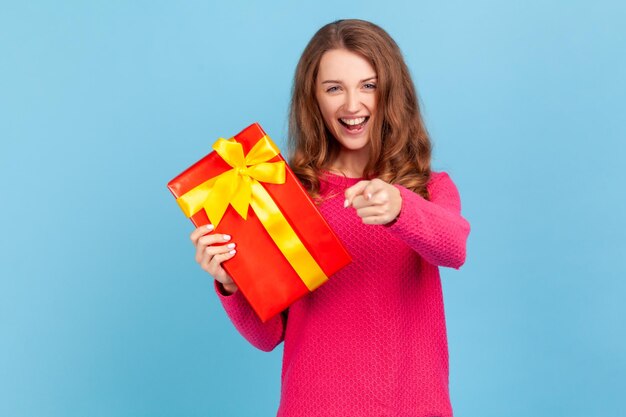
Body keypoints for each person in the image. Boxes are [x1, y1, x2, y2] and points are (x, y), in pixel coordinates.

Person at [190, 19, 470, 417]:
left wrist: (400, 207)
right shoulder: (286, 195)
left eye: (368, 86)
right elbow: (269, 336)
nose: (352, 105)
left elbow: (454, 247)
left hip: (412, 406)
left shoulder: (429, 187)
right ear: (314, 99)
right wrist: (232, 283)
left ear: (391, 92)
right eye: (334, 88)